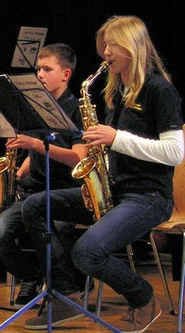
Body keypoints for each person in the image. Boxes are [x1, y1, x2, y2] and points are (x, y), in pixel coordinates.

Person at [23, 16, 184, 331]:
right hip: (116, 190)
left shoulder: (158, 90)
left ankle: (143, 296)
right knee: (34, 205)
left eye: (111, 45)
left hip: (149, 196)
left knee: (87, 250)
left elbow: (175, 152)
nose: (105, 53)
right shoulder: (118, 91)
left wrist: (116, 138)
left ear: (131, 46)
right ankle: (67, 293)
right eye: (104, 46)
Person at [0, 43, 88, 309]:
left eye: (46, 69)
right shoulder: (37, 106)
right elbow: (38, 153)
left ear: (65, 74)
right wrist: (19, 170)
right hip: (34, 191)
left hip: (64, 194)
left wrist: (34, 144)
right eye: (38, 69)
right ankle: (32, 275)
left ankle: (63, 292)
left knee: (57, 234)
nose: (40, 75)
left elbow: (78, 156)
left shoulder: (76, 109)